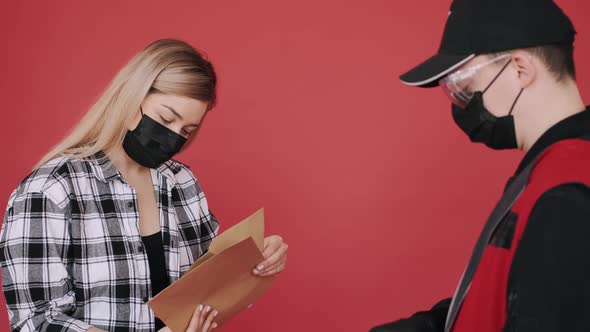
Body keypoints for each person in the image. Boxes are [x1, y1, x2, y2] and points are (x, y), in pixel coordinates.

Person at [0, 39, 289, 332]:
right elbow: (35, 321)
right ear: (131, 97)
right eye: (166, 118)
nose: (174, 138)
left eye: (187, 131)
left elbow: (210, 284)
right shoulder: (50, 190)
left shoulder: (182, 183)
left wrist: (257, 261)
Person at [371, 0, 590, 331]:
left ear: (520, 69)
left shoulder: (566, 189)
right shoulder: (549, 169)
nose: (461, 104)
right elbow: (503, 299)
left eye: (463, 85)